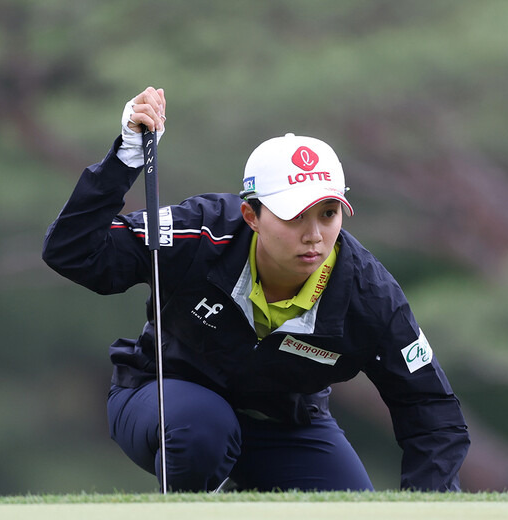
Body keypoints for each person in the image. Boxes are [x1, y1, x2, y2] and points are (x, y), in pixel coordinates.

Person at [42, 86, 470, 492]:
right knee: (202, 429)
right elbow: (72, 252)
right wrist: (126, 159)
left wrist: (427, 508)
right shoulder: (199, 231)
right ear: (251, 215)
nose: (315, 235)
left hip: (287, 425)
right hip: (163, 402)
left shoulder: (370, 295)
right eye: (293, 216)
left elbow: (431, 413)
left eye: (327, 214)